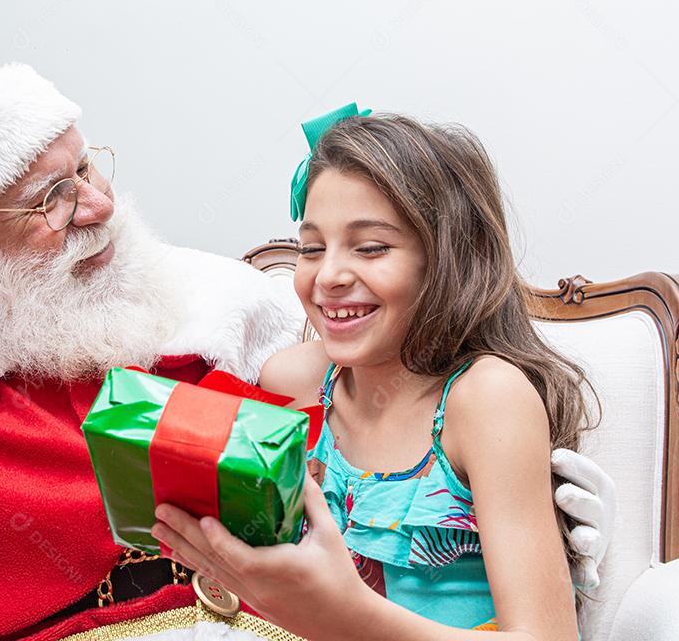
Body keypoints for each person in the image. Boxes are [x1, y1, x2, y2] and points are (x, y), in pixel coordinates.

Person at [0, 62, 612, 641]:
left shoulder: (222, 312)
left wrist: (545, 540)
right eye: (46, 197)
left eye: (87, 168)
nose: (95, 207)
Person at [150, 107, 608, 639]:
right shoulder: (293, 382)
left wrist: (347, 617)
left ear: (445, 261)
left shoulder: (485, 399)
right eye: (313, 248)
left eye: (371, 248)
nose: (330, 276)